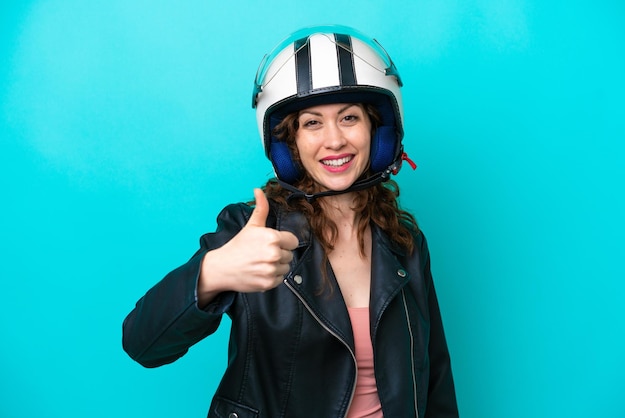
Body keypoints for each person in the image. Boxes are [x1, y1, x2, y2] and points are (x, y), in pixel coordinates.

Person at [122, 25, 458, 418]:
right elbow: (142, 344)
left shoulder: (405, 241)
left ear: (377, 131)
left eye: (349, 117)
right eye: (312, 123)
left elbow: (434, 376)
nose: (334, 140)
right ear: (289, 143)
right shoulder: (251, 232)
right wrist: (212, 273)